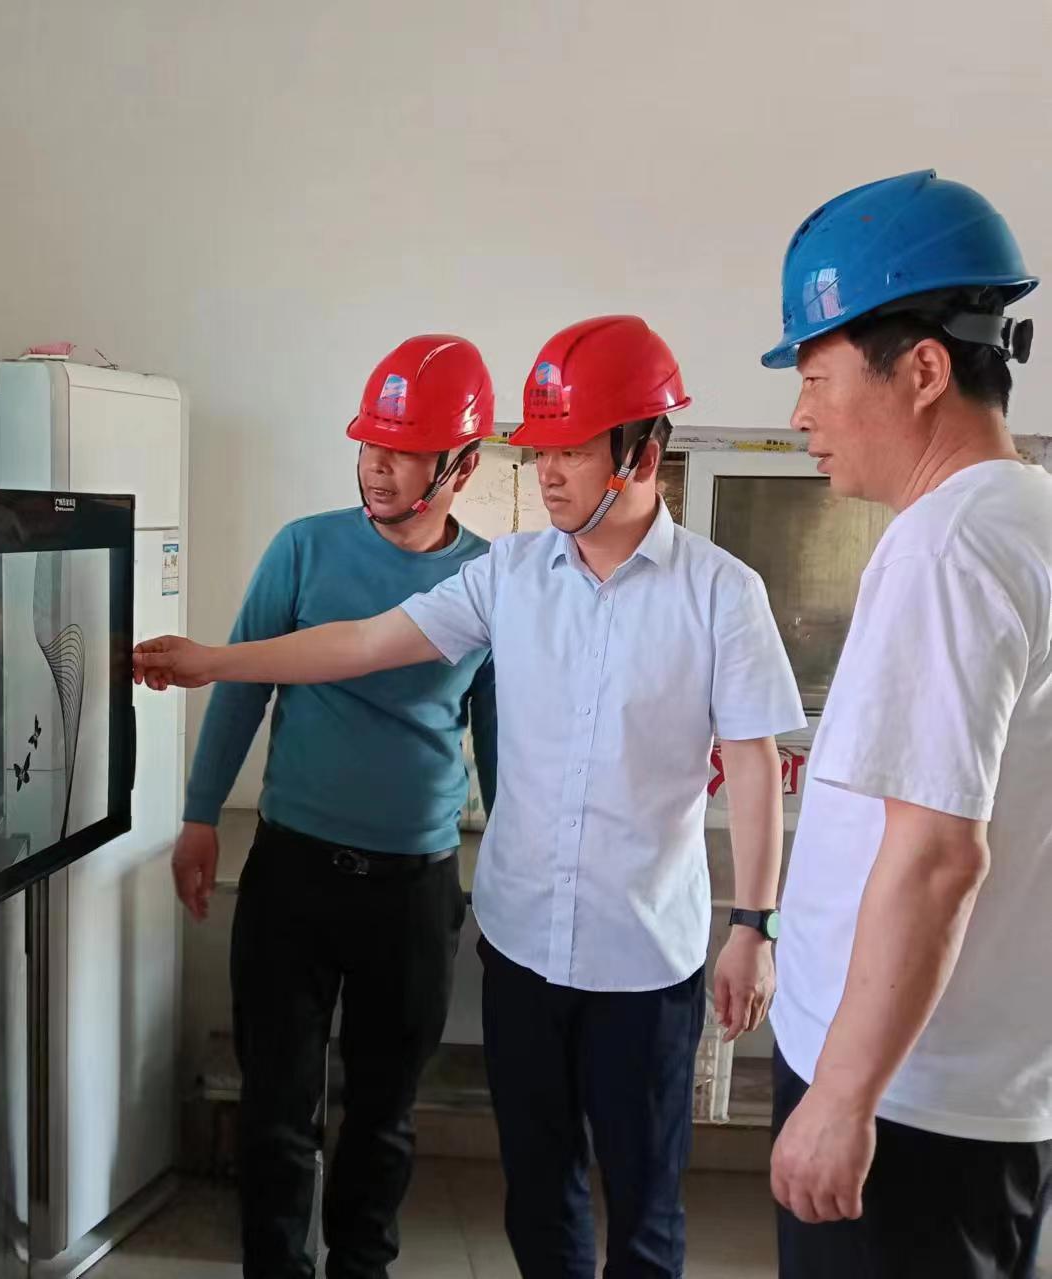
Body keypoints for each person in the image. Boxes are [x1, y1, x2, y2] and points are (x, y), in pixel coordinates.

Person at [140, 316, 805, 1279]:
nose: (549, 472)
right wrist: (215, 661)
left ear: (640, 452)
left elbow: (750, 761)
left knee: (645, 1207)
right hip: (522, 948)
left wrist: (755, 924)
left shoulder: (719, 593)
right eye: (541, 451)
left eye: (571, 450)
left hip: (641, 956)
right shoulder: (511, 576)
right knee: (539, 1198)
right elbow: (363, 642)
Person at [761, 170, 1052, 1279]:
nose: (799, 414)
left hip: (906, 1107)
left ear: (924, 369)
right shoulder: (1025, 517)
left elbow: (935, 855)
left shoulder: (950, 545)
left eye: (815, 376)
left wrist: (842, 1096)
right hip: (977, 1084)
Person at [177, 334, 499, 1279]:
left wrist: (515, 866)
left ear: (462, 466)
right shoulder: (305, 547)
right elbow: (243, 684)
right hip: (294, 872)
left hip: (414, 887)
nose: (375, 466)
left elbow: (501, 740)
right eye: (369, 444)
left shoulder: (488, 580)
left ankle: (362, 1268)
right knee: (278, 1107)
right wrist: (200, 814)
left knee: (384, 1113)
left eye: (402, 451)